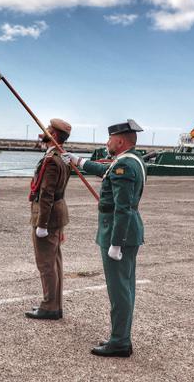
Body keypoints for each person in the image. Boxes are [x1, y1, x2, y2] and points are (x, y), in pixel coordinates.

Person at [62, 119, 146, 358]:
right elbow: (106, 171)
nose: (107, 142)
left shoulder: (125, 166)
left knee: (119, 290)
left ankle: (119, 341)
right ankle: (121, 337)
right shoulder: (130, 160)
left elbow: (123, 208)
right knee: (124, 287)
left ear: (119, 141)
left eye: (110, 139)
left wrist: (116, 243)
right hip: (126, 232)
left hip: (118, 233)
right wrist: (79, 161)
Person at [25, 119, 72, 321]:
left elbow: (47, 194)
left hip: (48, 217)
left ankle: (50, 306)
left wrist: (42, 224)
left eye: (48, 129)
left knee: (46, 263)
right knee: (54, 262)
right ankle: (54, 304)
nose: (44, 130)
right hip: (57, 215)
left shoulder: (52, 160)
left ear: (54, 134)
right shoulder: (61, 156)